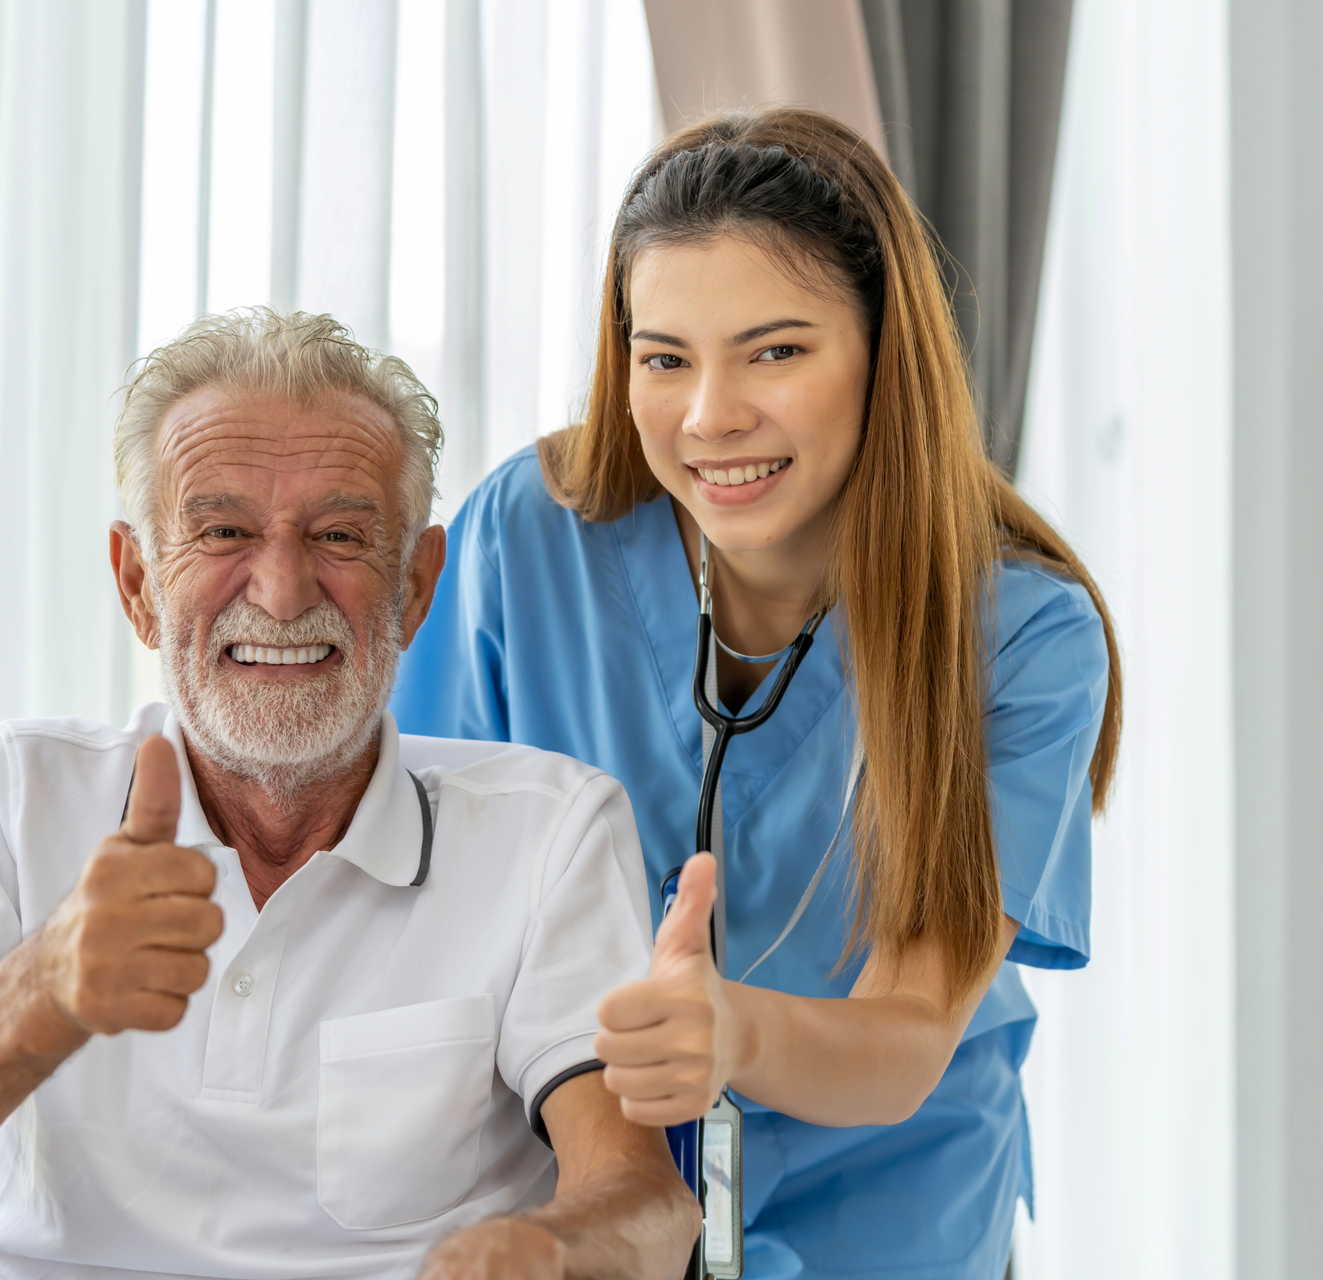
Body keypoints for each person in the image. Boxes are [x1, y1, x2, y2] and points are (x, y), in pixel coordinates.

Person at [0, 310, 700, 1280]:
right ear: (136, 583)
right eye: (222, 531)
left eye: (339, 534)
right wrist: (40, 989)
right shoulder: (17, 792)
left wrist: (547, 1245)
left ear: (416, 588)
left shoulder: (550, 827)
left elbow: (645, 1204)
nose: (285, 589)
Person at [391, 107, 1120, 1280]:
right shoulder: (528, 537)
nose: (708, 415)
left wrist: (731, 1027)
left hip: (891, 1200)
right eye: (664, 355)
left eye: (775, 351)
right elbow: (419, 895)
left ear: (884, 352)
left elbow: (911, 1031)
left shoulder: (1022, 638)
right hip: (591, 1177)